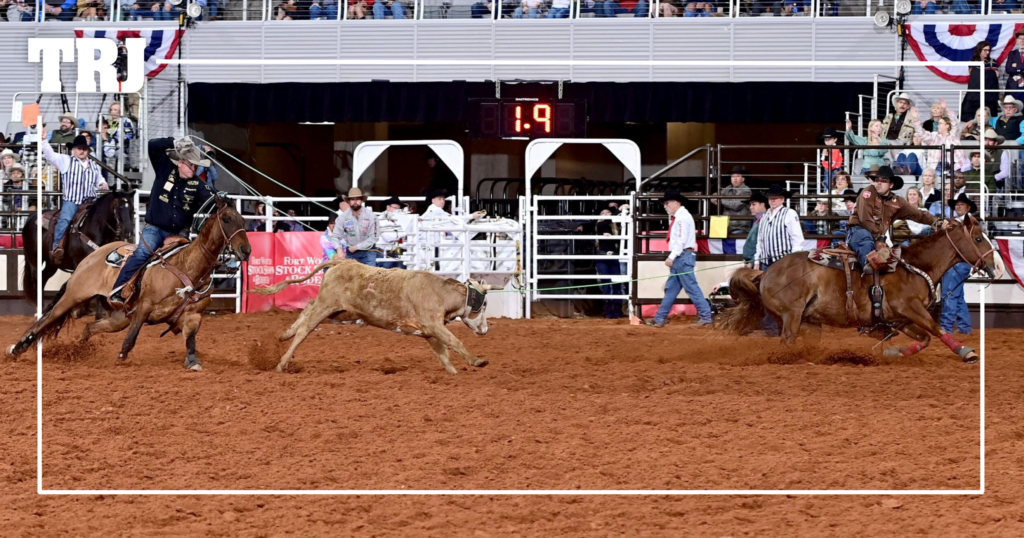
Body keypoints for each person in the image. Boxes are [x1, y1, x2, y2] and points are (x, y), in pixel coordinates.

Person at [109, 138, 214, 307]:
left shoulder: (198, 184)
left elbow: (212, 200)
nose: (194, 169)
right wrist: (173, 141)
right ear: (180, 162)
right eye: (191, 165)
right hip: (155, 229)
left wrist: (223, 199)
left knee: (191, 260)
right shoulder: (165, 169)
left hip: (180, 232)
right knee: (143, 253)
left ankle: (189, 298)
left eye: (196, 166)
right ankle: (119, 290)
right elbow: (152, 145)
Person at [845, 166, 942, 276]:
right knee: (865, 239)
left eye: (884, 181)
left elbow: (919, 214)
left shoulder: (897, 202)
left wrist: (937, 221)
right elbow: (865, 219)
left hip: (877, 236)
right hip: (858, 230)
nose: (879, 183)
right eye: (877, 180)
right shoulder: (868, 192)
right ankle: (868, 267)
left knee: (897, 255)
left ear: (891, 185)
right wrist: (879, 238)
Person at [38, 127, 108, 265]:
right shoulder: (66, 161)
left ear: (87, 150)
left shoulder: (93, 165)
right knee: (65, 219)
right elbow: (50, 155)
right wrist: (44, 140)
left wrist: (103, 184)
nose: (82, 151)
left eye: (84, 148)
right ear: (73, 150)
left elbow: (99, 179)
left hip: (90, 201)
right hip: (72, 201)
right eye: (79, 148)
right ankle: (57, 246)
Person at [646, 189, 713, 329]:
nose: (665, 206)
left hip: (682, 256)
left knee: (690, 288)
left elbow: (681, 240)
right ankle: (659, 318)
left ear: (676, 202)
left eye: (667, 203)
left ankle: (706, 316)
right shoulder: (682, 217)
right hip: (682, 256)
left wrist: (671, 256)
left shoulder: (682, 218)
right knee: (675, 288)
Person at [940, 193, 977, 335]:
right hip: (959, 263)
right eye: (957, 204)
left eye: (961, 204)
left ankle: (946, 328)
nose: (958, 206)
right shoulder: (958, 222)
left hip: (958, 262)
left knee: (949, 294)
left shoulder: (967, 223)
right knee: (957, 295)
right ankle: (964, 327)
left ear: (968, 207)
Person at [332, 187, 379, 266]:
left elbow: (374, 237)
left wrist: (356, 247)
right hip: (351, 253)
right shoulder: (343, 217)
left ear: (361, 200)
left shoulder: (371, 216)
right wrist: (338, 249)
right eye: (352, 199)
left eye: (357, 199)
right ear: (349, 201)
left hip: (368, 251)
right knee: (351, 277)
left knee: (368, 277)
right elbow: (335, 236)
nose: (355, 202)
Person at [595, 207, 624, 319]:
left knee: (617, 283)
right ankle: (607, 311)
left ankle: (617, 310)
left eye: (608, 212)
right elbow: (604, 224)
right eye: (603, 213)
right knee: (606, 284)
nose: (606, 214)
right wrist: (618, 211)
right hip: (602, 256)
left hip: (614, 255)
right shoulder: (600, 225)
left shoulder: (617, 225)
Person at [961, 41, 999, 122]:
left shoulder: (992, 61)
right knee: (971, 115)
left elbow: (997, 75)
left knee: (988, 115)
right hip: (975, 93)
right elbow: (972, 74)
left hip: (989, 93)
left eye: (988, 50)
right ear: (979, 50)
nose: (987, 52)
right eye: (985, 50)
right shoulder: (973, 62)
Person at [711, 165, 752, 235]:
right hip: (726, 226)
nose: (735, 178)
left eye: (738, 176)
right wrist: (713, 198)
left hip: (740, 227)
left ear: (743, 179)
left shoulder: (746, 190)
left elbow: (736, 205)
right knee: (715, 236)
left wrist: (720, 200)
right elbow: (716, 195)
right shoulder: (728, 188)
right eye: (733, 176)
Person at [376, 195, 412, 269]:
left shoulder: (399, 220)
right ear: (388, 207)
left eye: (398, 209)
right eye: (395, 208)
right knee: (386, 275)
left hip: (398, 252)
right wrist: (404, 233)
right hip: (384, 252)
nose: (396, 211)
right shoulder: (380, 220)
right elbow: (389, 237)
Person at [742, 190, 768, 268]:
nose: (751, 207)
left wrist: (752, 262)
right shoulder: (758, 219)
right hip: (752, 260)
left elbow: (764, 244)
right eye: (750, 204)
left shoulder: (765, 220)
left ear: (762, 205)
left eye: (754, 204)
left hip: (757, 262)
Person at [1006, 30, 1024, 102]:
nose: (1022, 41)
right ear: (1017, 40)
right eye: (1020, 38)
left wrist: (1016, 66)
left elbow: (1013, 69)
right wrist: (1022, 67)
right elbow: (1008, 69)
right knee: (1012, 108)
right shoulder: (1012, 54)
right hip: (1013, 86)